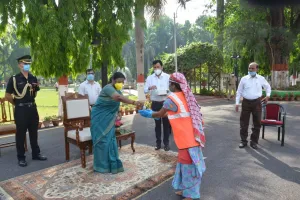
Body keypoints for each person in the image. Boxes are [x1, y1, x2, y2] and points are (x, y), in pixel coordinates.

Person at [139, 72, 206, 200]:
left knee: (189, 167)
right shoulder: (187, 96)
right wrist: (155, 113)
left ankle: (191, 194)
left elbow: (160, 113)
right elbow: (172, 113)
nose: (169, 84)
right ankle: (184, 188)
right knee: (183, 164)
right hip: (192, 136)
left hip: (187, 140)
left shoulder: (172, 99)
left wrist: (150, 114)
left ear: (174, 85)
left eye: (170, 82)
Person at [90, 72, 142, 174]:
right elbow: (118, 98)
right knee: (102, 141)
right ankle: (101, 166)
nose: (120, 84)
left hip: (109, 118)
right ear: (113, 80)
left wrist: (118, 113)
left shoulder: (117, 90)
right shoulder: (108, 88)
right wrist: (134, 102)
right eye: (119, 82)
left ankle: (112, 165)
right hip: (99, 118)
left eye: (122, 82)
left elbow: (118, 103)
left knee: (110, 140)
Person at [5, 55, 47, 167]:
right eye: (24, 63)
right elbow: (8, 95)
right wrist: (17, 104)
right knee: (20, 134)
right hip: (21, 110)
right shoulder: (14, 79)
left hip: (32, 109)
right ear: (19, 65)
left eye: (28, 63)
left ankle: (36, 154)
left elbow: (35, 93)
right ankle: (21, 157)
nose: (27, 65)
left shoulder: (33, 78)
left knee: (34, 133)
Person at [236, 62, 271, 149]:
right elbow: (239, 91)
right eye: (249, 68)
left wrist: (268, 95)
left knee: (257, 123)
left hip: (257, 103)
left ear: (257, 69)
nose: (250, 70)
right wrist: (237, 103)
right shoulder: (244, 79)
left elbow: (268, 87)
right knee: (244, 123)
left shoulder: (261, 78)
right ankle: (243, 141)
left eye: (252, 68)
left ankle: (254, 141)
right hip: (246, 103)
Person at [144, 60, 171, 151]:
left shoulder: (167, 77)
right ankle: (158, 143)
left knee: (166, 124)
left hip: (165, 102)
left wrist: (167, 92)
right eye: (154, 67)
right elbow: (145, 90)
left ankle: (166, 143)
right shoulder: (150, 78)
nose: (156, 69)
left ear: (162, 67)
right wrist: (149, 88)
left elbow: (171, 90)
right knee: (157, 124)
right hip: (155, 103)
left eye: (158, 67)